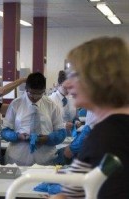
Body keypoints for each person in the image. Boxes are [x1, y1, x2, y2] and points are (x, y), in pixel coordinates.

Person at [51, 37, 129, 198]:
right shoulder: (112, 130)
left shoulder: (107, 137)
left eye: (73, 75)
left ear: (98, 78)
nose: (66, 84)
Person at [1, 72, 66, 166]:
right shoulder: (16, 104)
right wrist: (17, 136)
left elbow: (61, 132)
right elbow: (4, 131)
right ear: (26, 89)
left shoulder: (51, 105)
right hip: (18, 157)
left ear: (44, 90)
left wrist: (48, 138)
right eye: (31, 93)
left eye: (39, 93)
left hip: (45, 158)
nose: (35, 97)